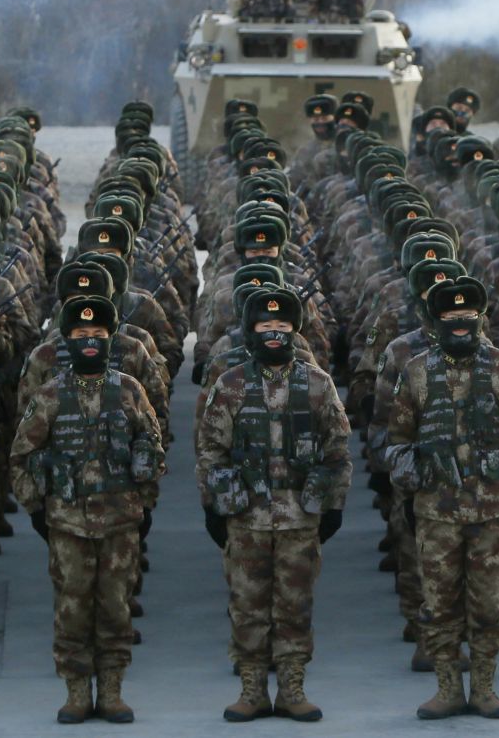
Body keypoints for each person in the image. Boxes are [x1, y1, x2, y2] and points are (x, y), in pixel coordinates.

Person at [196, 286, 353, 722]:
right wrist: (214, 507)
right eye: (265, 327)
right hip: (245, 518)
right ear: (250, 332)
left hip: (301, 519)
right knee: (247, 606)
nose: (274, 334)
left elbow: (337, 450)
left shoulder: (318, 385)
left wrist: (332, 506)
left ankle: (291, 688)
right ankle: (251, 690)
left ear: (294, 332)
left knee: (294, 606)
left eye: (282, 326)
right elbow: (210, 450)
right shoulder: (230, 385)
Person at [383, 275, 499, 719]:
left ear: (480, 318)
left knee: (488, 605)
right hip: (436, 511)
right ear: (436, 322)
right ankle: (448, 687)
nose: (460, 325)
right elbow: (398, 437)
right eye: (450, 318)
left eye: (467, 316)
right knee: (440, 604)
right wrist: (410, 492)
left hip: (490, 510)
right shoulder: (417, 371)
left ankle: (484, 687)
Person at [10, 295, 163, 725]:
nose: (90, 342)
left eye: (98, 335)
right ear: (67, 340)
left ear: (110, 338)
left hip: (120, 523)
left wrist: (144, 504)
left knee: (116, 606)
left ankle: (112, 691)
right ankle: (77, 691)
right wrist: (38, 511)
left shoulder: (130, 391)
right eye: (81, 335)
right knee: (72, 608)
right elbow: (21, 456)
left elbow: (151, 447)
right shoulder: (50, 395)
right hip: (67, 524)